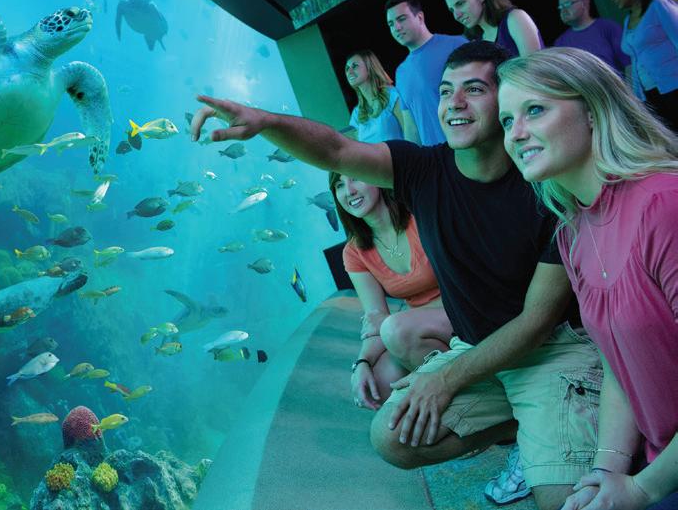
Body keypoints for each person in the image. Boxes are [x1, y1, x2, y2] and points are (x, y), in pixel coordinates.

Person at [190, 41, 601, 510]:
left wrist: (443, 380)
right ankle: (523, 428)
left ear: (506, 101)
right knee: (390, 437)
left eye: (473, 90)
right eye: (445, 91)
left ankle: (560, 421)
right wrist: (267, 122)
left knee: (561, 502)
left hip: (549, 350)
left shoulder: (544, 185)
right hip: (476, 347)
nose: (454, 104)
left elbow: (536, 322)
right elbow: (336, 150)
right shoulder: (423, 170)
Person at [497, 47, 678, 510]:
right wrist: (605, 470)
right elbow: (621, 365)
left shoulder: (665, 203)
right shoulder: (573, 233)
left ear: (594, 110)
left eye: (535, 110)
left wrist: (643, 489)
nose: (516, 133)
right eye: (506, 120)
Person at [330, 171, 452, 410]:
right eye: (339, 185)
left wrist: (395, 322)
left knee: (397, 330)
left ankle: (467, 388)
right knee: (377, 384)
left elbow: (387, 324)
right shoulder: (354, 252)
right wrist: (362, 363)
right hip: (415, 327)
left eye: (355, 177)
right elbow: (375, 318)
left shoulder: (419, 214)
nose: (349, 191)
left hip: (464, 311)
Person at [385, 0, 467, 147]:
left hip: (471, 150)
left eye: (401, 19)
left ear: (420, 17)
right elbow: (411, 128)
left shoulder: (457, 45)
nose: (396, 27)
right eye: (391, 24)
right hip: (436, 157)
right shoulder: (401, 72)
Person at [607, 0, 678, 130]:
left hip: (673, 83)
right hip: (649, 91)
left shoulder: (658, 4)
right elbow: (635, 58)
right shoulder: (627, 20)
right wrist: (636, 93)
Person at [442, 0, 544, 57]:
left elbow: (534, 69)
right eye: (452, 10)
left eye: (460, 4)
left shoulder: (515, 18)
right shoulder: (476, 41)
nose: (457, 15)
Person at [344, 49, 418, 143]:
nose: (349, 72)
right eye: (347, 68)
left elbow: (412, 135)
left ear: (369, 67)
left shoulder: (392, 96)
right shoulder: (357, 113)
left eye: (355, 66)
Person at [553, 0, 630, 75]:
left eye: (567, 4)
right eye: (560, 7)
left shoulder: (608, 27)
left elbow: (628, 63)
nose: (563, 11)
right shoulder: (560, 43)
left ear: (584, 4)